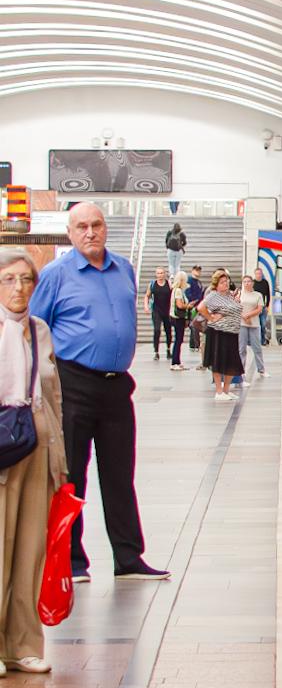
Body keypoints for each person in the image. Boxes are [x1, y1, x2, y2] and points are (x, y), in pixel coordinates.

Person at [29, 202, 168, 582]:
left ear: (106, 227)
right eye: (82, 227)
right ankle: (72, 561)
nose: (90, 233)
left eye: (96, 225)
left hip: (117, 386)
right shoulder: (56, 274)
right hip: (73, 384)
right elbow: (36, 330)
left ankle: (129, 558)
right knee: (72, 474)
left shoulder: (123, 268)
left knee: (120, 474)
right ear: (70, 233)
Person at [0, 250, 67, 675]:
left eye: (26, 279)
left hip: (37, 445)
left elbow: (53, 394)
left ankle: (22, 645)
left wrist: (60, 458)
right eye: (8, 279)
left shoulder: (40, 330)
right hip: (2, 449)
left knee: (30, 550)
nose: (19, 288)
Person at [197, 271, 243, 400]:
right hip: (218, 332)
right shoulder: (213, 295)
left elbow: (235, 309)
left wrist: (236, 301)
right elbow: (200, 307)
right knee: (218, 361)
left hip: (232, 332)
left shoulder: (230, 295)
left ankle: (226, 390)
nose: (226, 284)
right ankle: (219, 391)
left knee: (232, 361)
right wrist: (210, 317)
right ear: (216, 284)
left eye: (227, 281)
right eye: (222, 282)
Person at [237, 276, 266, 379]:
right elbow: (236, 307)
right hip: (242, 324)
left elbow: (259, 309)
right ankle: (241, 371)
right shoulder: (239, 294)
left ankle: (261, 370)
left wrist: (248, 315)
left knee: (257, 347)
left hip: (254, 324)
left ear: (252, 283)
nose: (247, 283)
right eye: (244, 282)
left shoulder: (258, 295)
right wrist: (244, 317)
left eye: (248, 281)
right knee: (242, 348)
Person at [144, 266, 173, 361]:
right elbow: (147, 296)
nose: (160, 275)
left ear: (164, 274)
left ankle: (168, 349)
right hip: (156, 311)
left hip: (167, 311)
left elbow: (173, 295)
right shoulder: (152, 284)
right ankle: (156, 352)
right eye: (158, 273)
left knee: (168, 331)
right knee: (157, 330)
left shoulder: (169, 284)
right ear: (156, 274)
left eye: (161, 273)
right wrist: (146, 306)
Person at [169, 271, 191, 371]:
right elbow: (179, 305)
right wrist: (188, 306)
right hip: (178, 318)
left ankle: (177, 361)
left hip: (177, 317)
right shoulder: (178, 291)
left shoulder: (177, 290)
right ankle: (175, 362)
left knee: (179, 340)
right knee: (178, 340)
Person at [186, 265, 205, 364]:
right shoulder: (190, 280)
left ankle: (194, 343)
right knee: (194, 324)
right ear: (192, 270)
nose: (198, 272)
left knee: (195, 325)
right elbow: (188, 292)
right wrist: (192, 302)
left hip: (198, 305)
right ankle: (194, 344)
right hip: (193, 306)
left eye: (199, 270)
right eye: (196, 270)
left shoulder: (198, 282)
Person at [252, 268, 272, 346]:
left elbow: (268, 295)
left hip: (263, 307)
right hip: (254, 308)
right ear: (255, 274)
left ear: (262, 274)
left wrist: (267, 306)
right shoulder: (253, 283)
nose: (258, 275)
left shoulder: (265, 282)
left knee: (263, 325)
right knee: (256, 325)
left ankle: (263, 340)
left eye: (260, 273)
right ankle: (256, 341)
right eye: (257, 273)